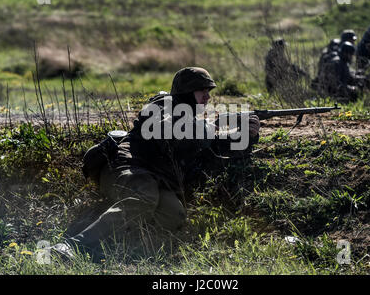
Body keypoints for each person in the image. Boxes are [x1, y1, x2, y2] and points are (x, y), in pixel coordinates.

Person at [53, 67, 261, 259]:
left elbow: (213, 149)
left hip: (152, 179)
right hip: (124, 169)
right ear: (186, 92)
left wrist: (246, 135)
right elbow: (174, 128)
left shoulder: (194, 123)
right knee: (144, 197)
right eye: (201, 91)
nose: (207, 97)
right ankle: (74, 245)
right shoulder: (163, 105)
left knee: (173, 214)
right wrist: (215, 126)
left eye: (208, 91)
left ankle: (113, 248)